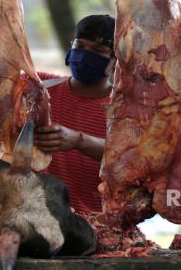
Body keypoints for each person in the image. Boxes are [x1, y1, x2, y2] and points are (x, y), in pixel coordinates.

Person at [34, 15, 116, 213]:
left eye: (98, 50)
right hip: (35, 219)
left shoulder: (124, 109)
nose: (84, 55)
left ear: (116, 61)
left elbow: (132, 161)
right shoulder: (39, 87)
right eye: (79, 46)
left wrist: (79, 141)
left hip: (95, 226)